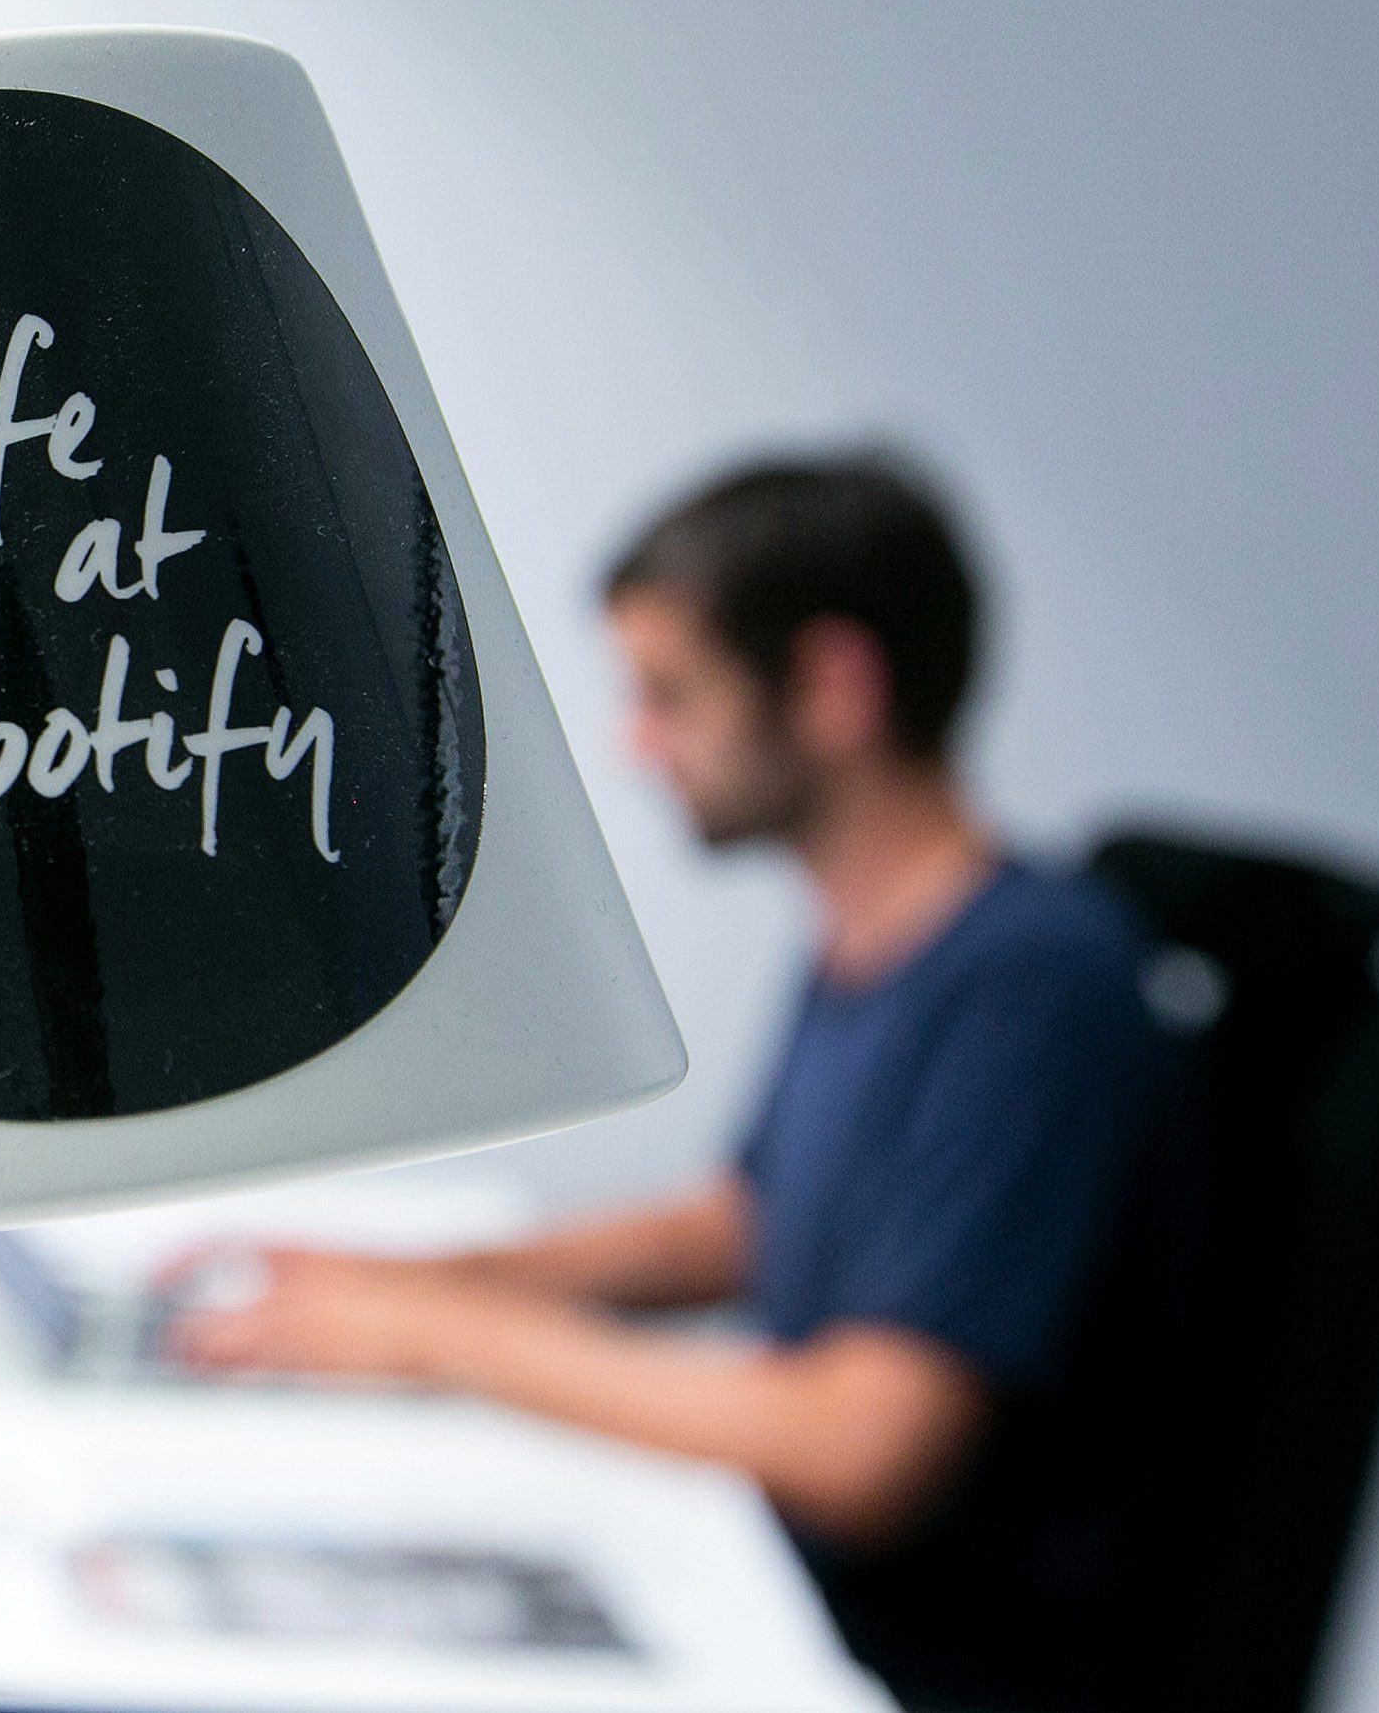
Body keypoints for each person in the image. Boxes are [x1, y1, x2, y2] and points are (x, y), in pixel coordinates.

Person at [167, 453, 1178, 1706]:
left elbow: (861, 1447)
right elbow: (750, 1222)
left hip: (901, 1664)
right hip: (782, 1599)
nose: (636, 744)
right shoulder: (885, 941)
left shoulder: (1033, 982)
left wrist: (439, 1336)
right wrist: (404, 1285)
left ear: (830, 685)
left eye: (669, 693)